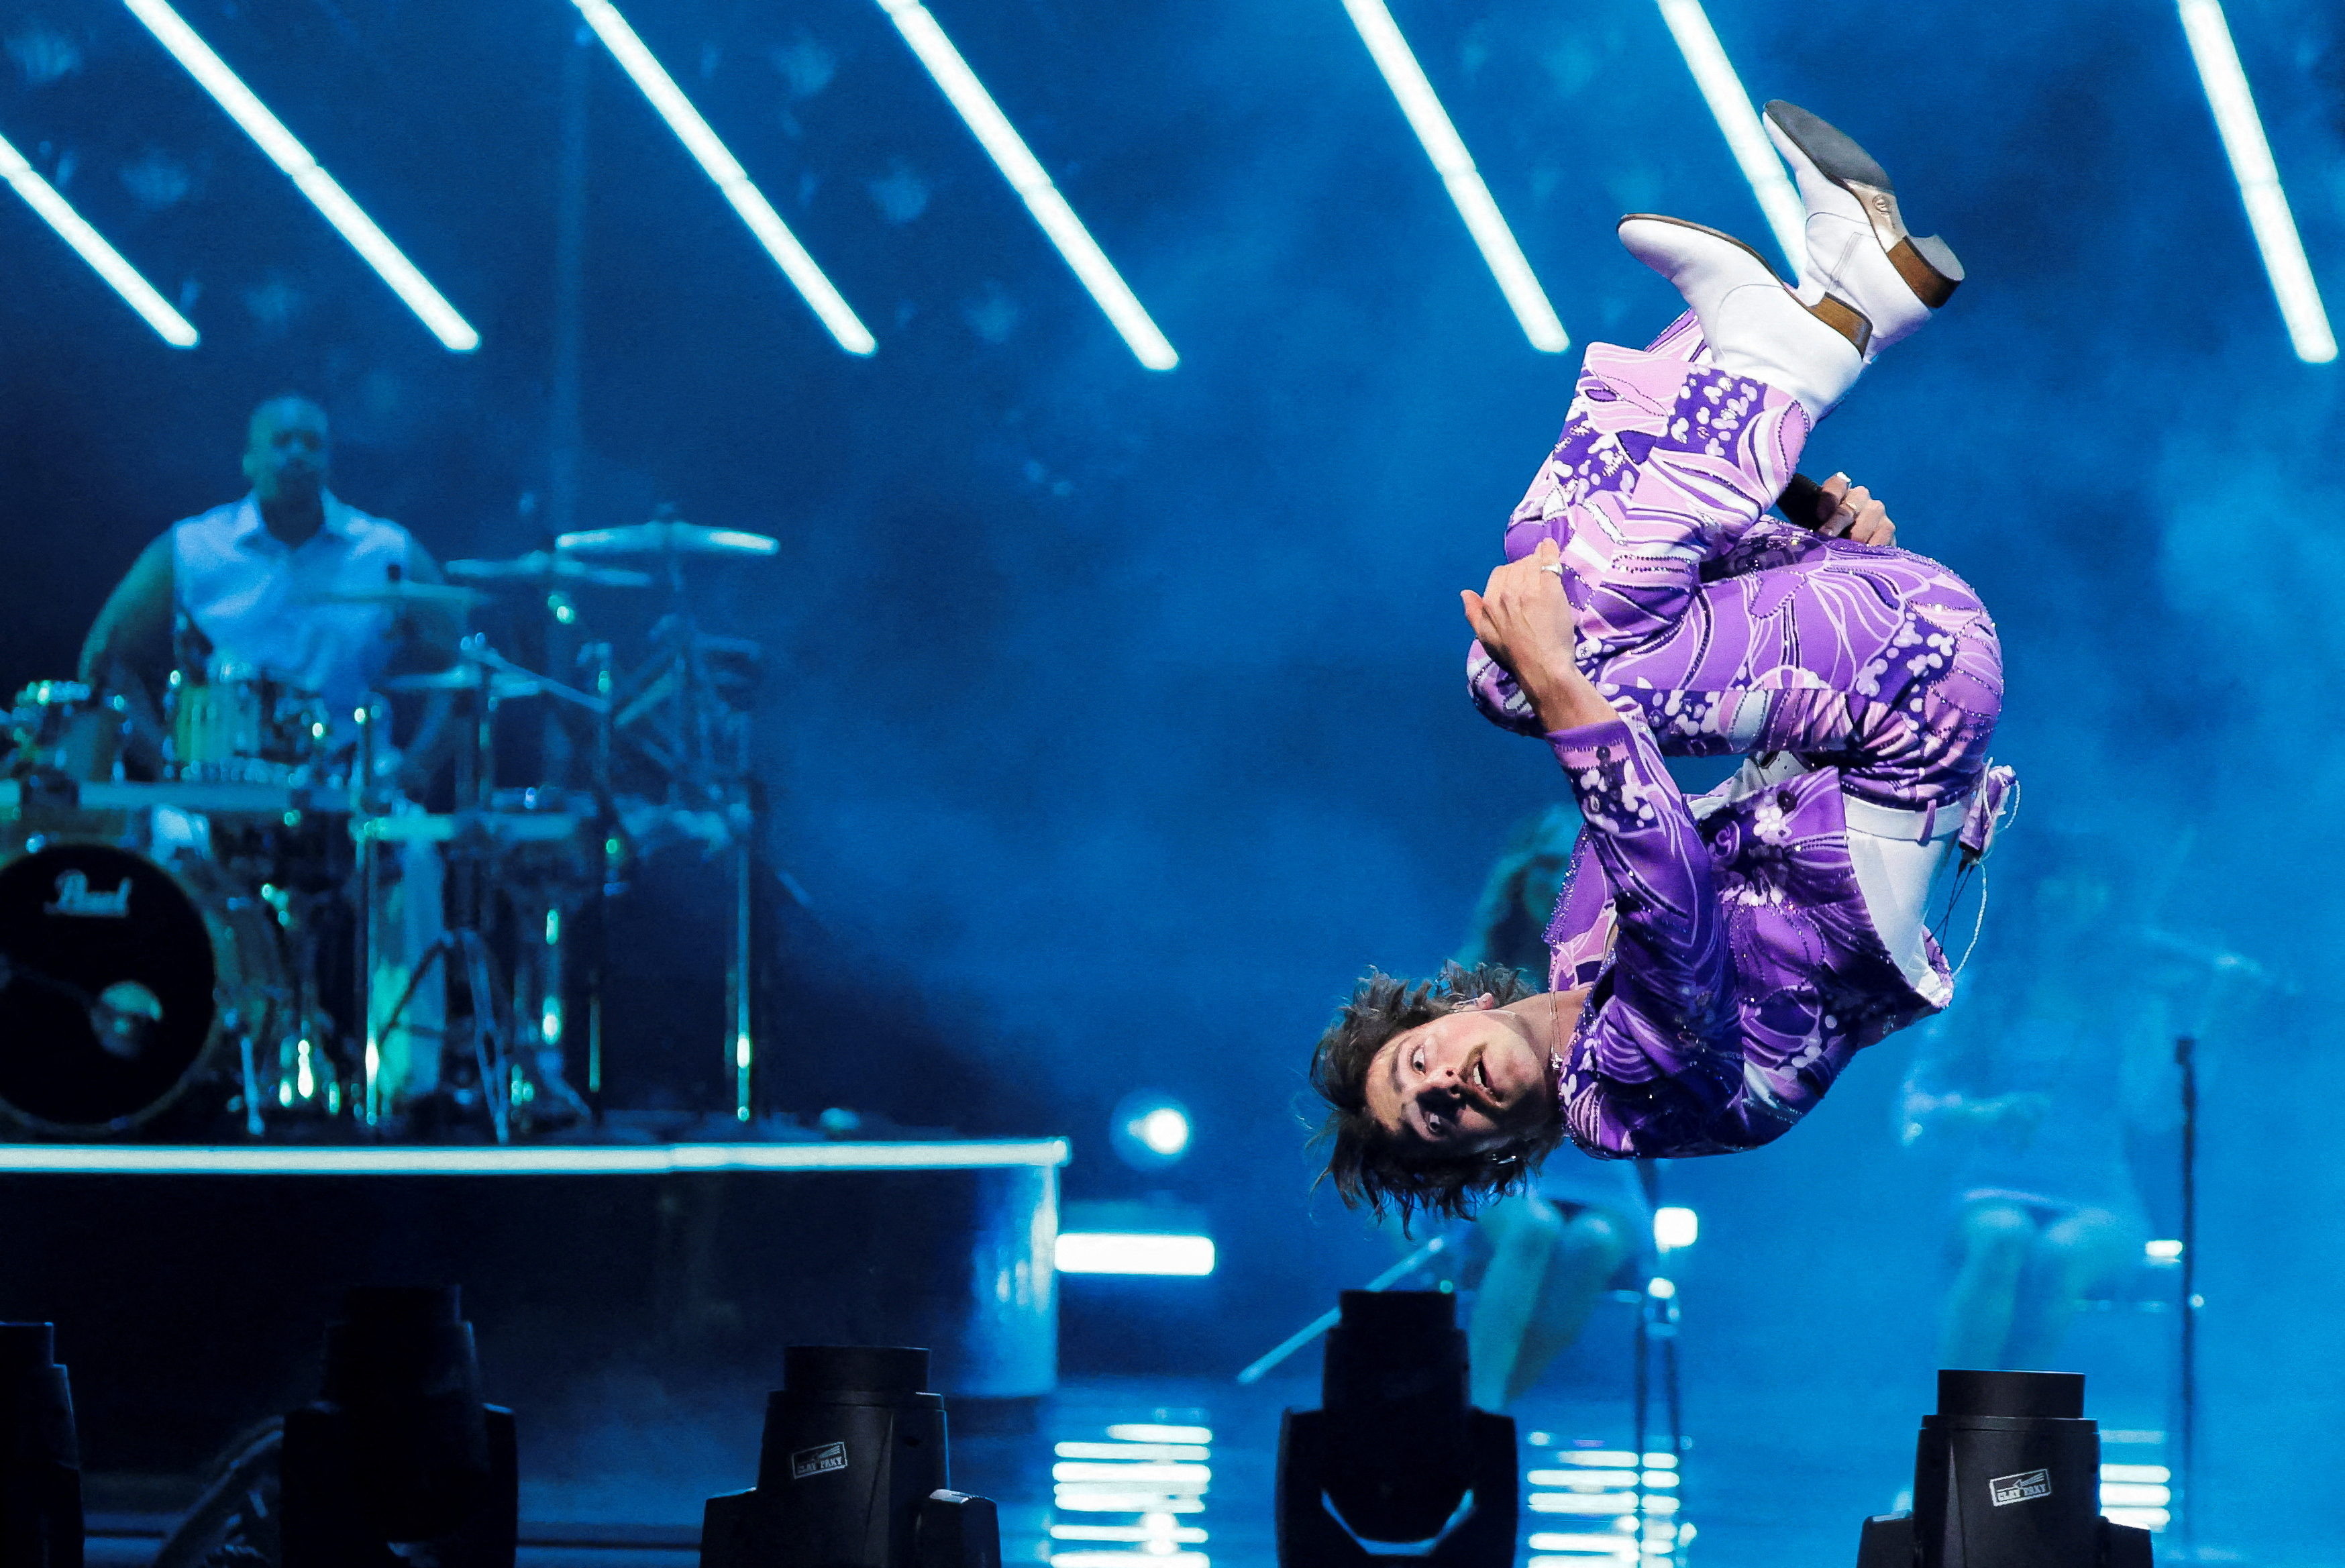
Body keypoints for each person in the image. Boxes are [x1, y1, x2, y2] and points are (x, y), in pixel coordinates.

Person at [1310, 101, 2015, 1222]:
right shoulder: (1622, 1101)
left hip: (1883, 668)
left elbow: (1737, 765)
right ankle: (1792, 350)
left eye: (1414, 1065)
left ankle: (1844, 306)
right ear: (1493, 1154)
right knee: (1531, 673)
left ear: (1439, 1014)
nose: (1442, 1084)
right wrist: (1555, 683)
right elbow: (1675, 895)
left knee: (1530, 640)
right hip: (1909, 710)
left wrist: (1819, 547)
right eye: (1436, 1118)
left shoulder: (1569, 944)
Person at [75, 395, 461, 1106]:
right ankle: (190, 1057)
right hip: (218, 782)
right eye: (281, 442)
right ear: (249, 457)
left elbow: (463, 669)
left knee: (411, 851)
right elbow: (106, 657)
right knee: (167, 844)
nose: (296, 455)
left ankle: (406, 1082)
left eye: (311, 443)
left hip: (347, 782)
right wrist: (167, 767)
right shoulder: (194, 548)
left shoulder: (385, 551)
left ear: (330, 457)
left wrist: (415, 770)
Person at [1899, 835, 2173, 1371]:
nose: (2077, 894)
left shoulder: (2129, 1002)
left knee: (2061, 1255)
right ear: (2031, 892)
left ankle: (2017, 1415)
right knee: (2001, 1239)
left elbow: (2152, 1111)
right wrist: (1987, 1111)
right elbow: (1917, 1104)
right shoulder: (1979, 992)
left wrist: (2206, 1029)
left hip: (2097, 1193)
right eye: (2061, 877)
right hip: (1989, 1185)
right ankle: (1964, 1414)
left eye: (2094, 883)